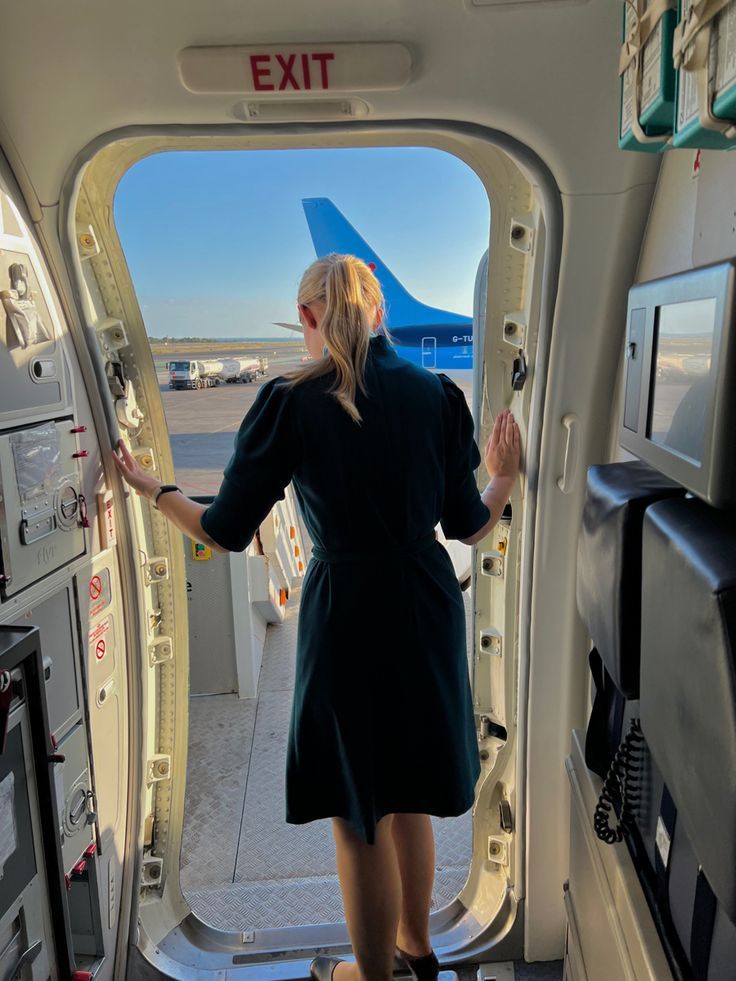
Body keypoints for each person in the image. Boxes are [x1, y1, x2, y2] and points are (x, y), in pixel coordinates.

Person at [112, 253, 521, 981]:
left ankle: (369, 977)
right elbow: (468, 524)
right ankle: (418, 951)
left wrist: (155, 489)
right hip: (426, 608)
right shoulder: (436, 395)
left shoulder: (290, 402)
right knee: (409, 796)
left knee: (359, 813)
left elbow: (227, 528)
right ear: (380, 311)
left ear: (307, 317)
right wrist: (504, 476)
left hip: (347, 617)